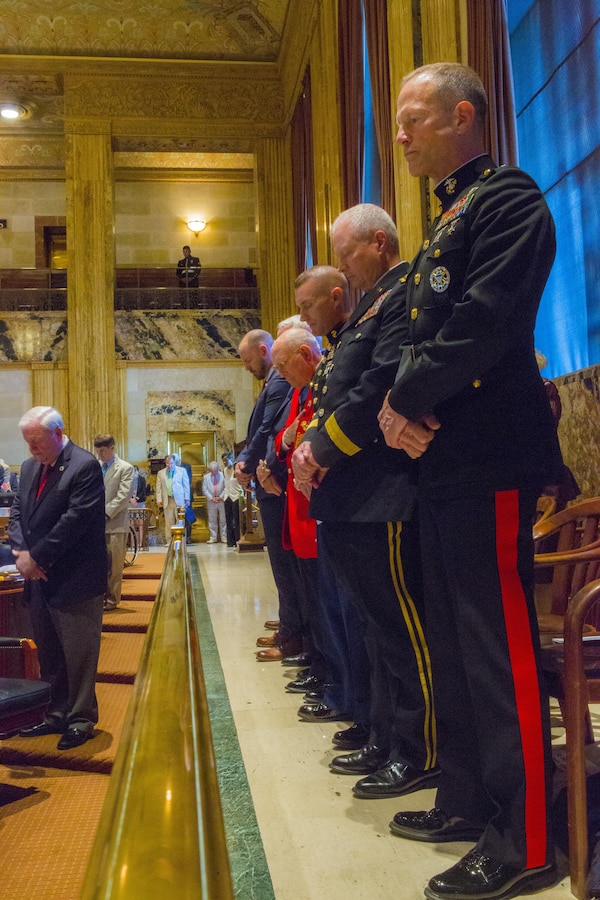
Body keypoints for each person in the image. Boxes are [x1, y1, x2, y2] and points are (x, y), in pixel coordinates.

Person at [377, 63, 562, 900]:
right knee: (452, 646)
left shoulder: (508, 199)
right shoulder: (451, 214)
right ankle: (469, 799)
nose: (401, 134)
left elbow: (482, 325)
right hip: (444, 462)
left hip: (485, 455)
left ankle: (527, 838)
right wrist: (399, 408)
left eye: (413, 117)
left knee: (496, 650)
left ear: (462, 115)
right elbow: (429, 334)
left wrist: (401, 401)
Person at [292, 212, 437, 803]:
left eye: (346, 255)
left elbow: (376, 387)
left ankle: (423, 747)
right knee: (376, 632)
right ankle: (387, 733)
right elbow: (340, 390)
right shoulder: (369, 310)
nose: (344, 270)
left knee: (404, 633)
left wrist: (320, 449)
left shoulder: (401, 295)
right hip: (353, 497)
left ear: (378, 244)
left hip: (385, 493)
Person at [8, 406, 108, 749]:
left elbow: (75, 522)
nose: (32, 449)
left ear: (58, 432)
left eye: (37, 442)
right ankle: (56, 713)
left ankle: (81, 718)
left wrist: (36, 558)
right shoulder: (30, 466)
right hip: (38, 579)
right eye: (28, 442)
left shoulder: (84, 465)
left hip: (75, 578)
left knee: (79, 654)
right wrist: (23, 556)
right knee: (49, 653)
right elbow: (18, 513)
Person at [235, 328, 306, 662]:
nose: (247, 367)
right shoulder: (277, 379)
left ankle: (294, 634)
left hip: (278, 481)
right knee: (284, 567)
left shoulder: (280, 379)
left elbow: (268, 429)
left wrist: (252, 465)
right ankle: (291, 626)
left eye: (248, 360)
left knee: (288, 566)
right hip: (272, 477)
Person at [93, 433, 134, 611]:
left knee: (115, 565)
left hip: (115, 522)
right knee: (99, 564)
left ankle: (112, 598)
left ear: (112, 448)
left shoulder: (125, 468)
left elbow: (123, 496)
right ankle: (99, 596)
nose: (100, 455)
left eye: (102, 451)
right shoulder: (95, 467)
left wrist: (105, 512)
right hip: (95, 524)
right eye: (97, 451)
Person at [155, 453, 191, 541]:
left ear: (175, 462)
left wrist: (187, 498)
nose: (169, 465)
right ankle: (169, 540)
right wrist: (159, 500)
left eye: (171, 463)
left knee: (180, 521)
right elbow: (158, 488)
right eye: (167, 463)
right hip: (168, 500)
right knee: (169, 522)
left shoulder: (182, 471)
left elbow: (186, 486)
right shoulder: (161, 473)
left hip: (179, 500)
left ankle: (182, 540)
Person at [202, 460, 227, 543]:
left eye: (215, 471)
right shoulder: (206, 477)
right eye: (212, 471)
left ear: (218, 469)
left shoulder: (223, 475)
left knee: (223, 519)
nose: (214, 473)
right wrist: (211, 497)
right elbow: (204, 489)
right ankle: (213, 537)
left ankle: (224, 537)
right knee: (212, 520)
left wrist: (220, 497)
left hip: (221, 500)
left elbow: (226, 487)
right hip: (211, 501)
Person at [221, 452, 242, 547]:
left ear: (231, 459)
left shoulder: (237, 469)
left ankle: (238, 539)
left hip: (237, 496)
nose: (225, 462)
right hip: (227, 496)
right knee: (228, 520)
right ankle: (230, 541)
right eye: (223, 461)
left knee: (237, 520)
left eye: (226, 460)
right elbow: (226, 482)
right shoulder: (225, 470)